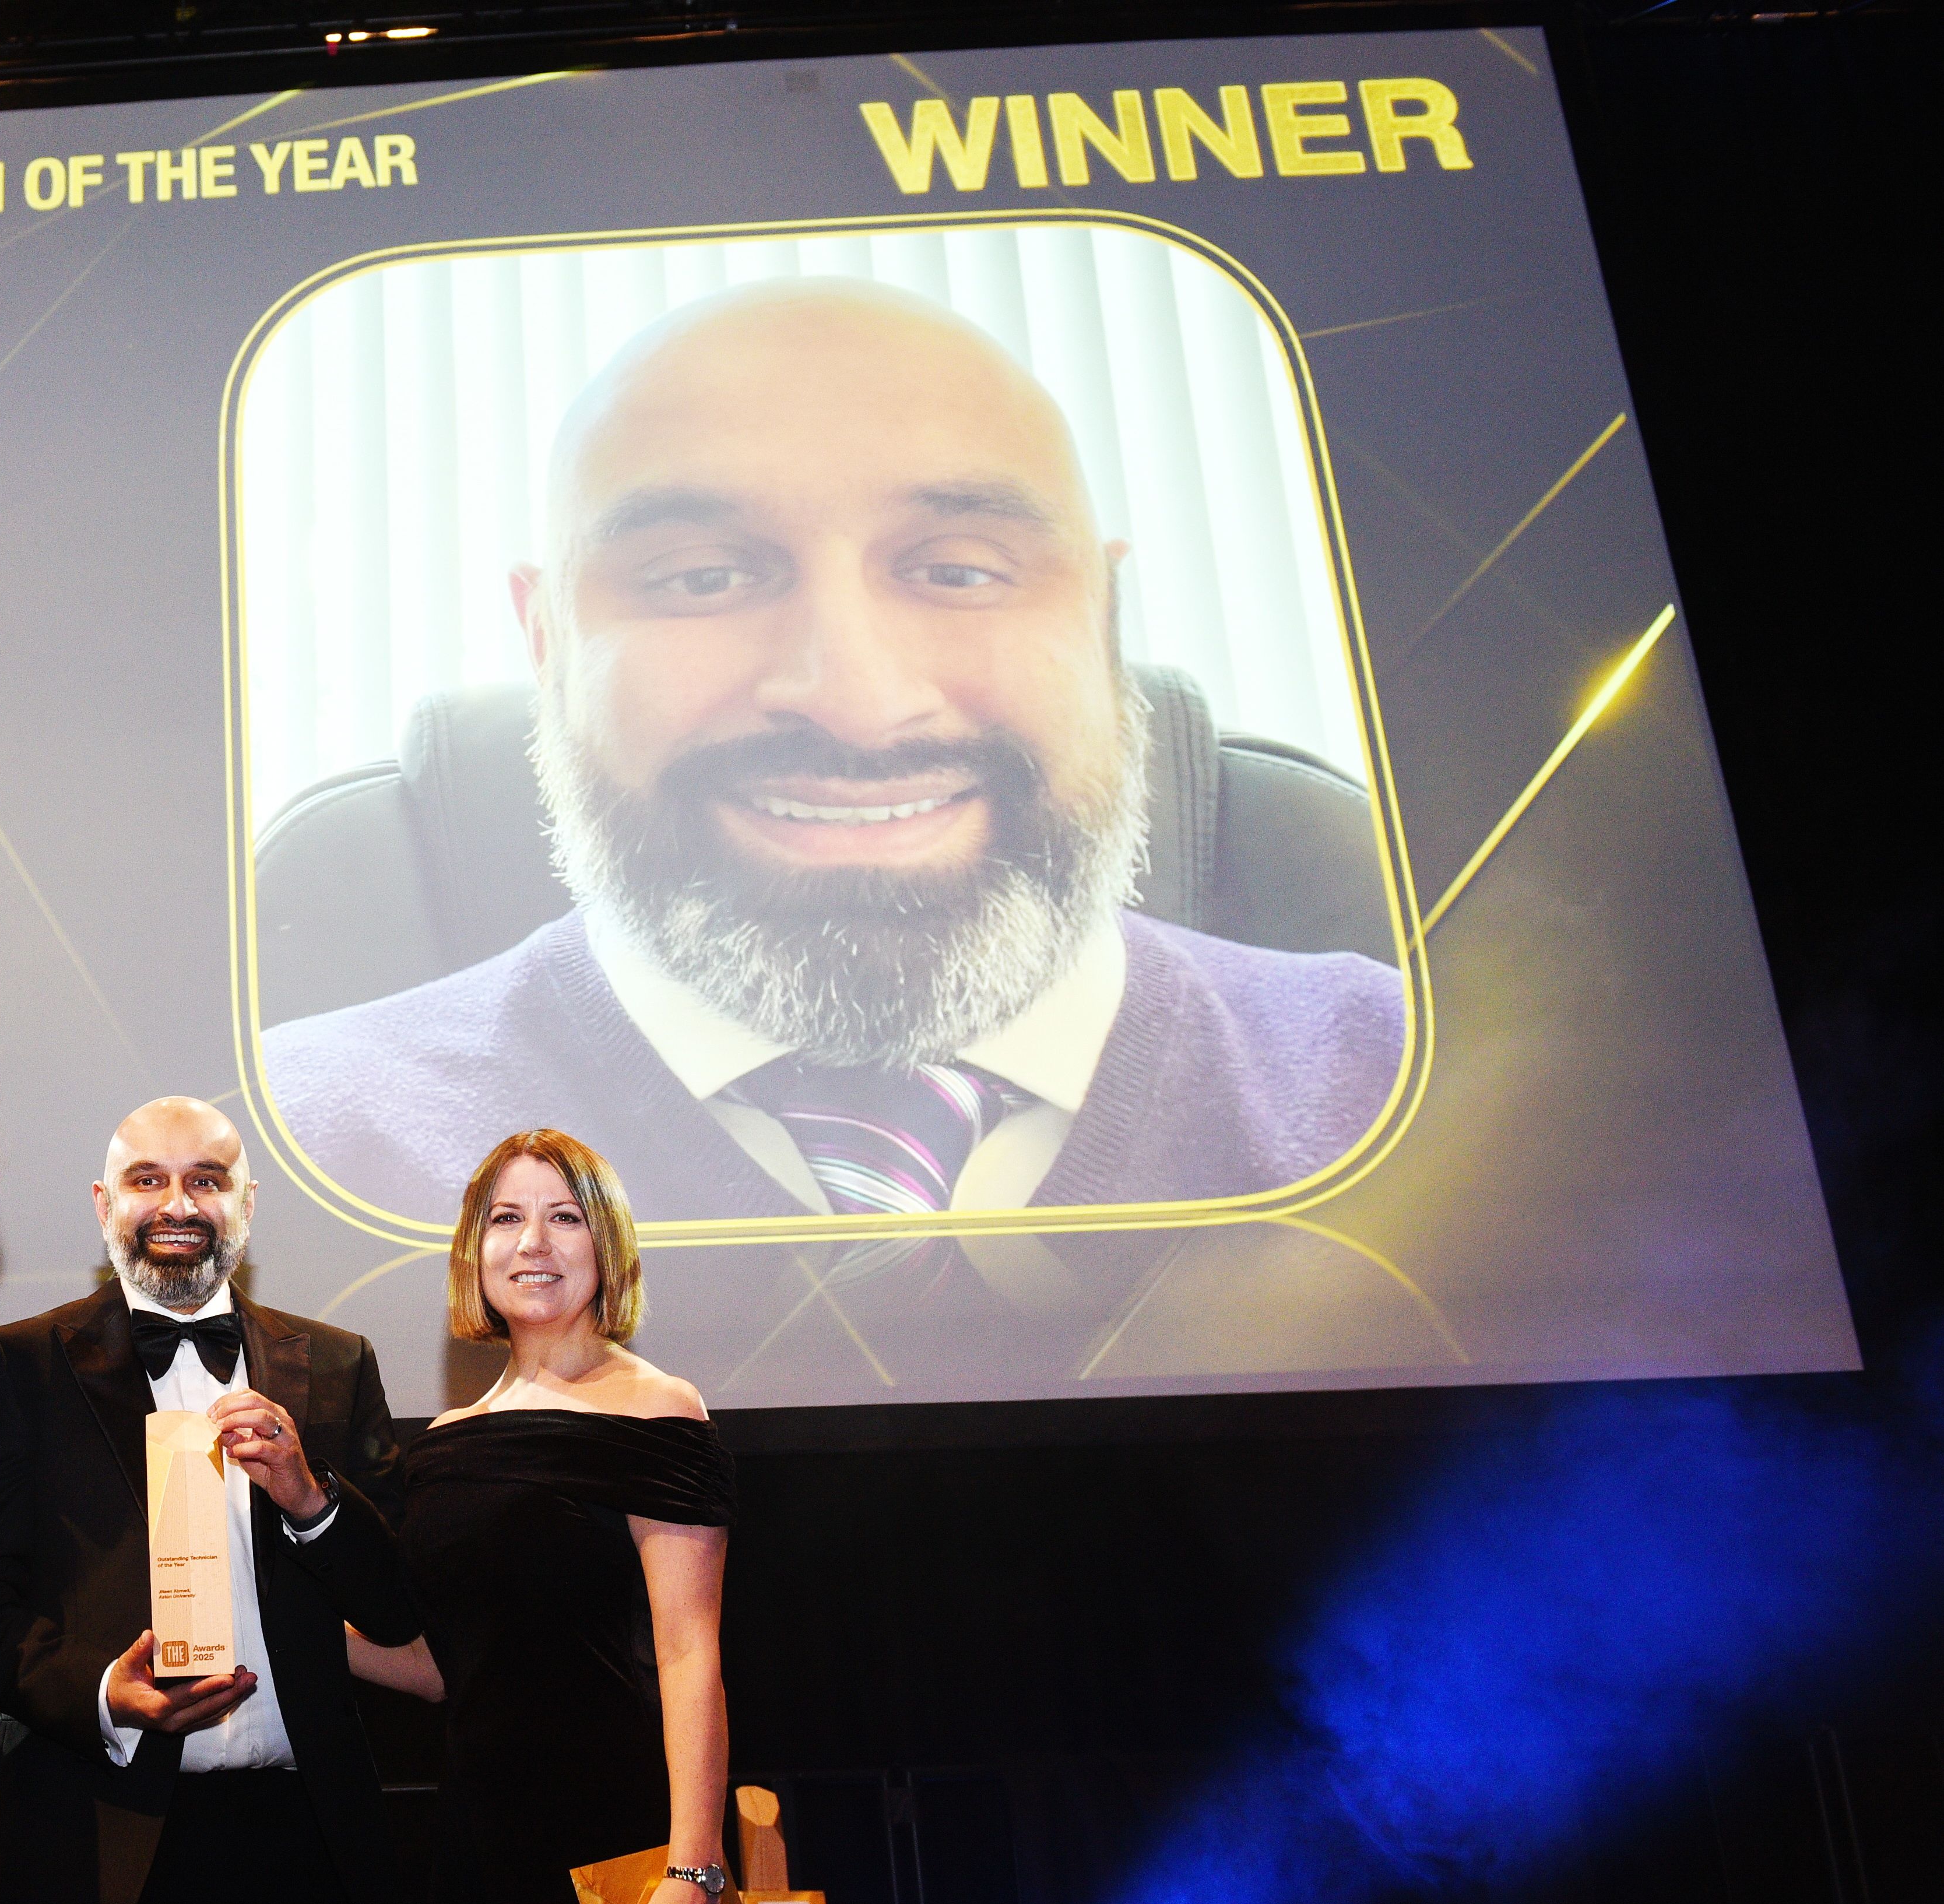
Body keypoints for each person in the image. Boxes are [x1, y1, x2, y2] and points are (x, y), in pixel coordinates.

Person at [263, 279, 1407, 1227]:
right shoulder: (267, 1163)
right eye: (702, 578)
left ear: (1101, 619)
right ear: (548, 641)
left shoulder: (1439, 1098)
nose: (856, 701)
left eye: (959, 570)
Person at [0, 1095, 421, 1904]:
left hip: (299, 1848)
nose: (178, 1202)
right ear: (101, 1203)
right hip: (93, 1833)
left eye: (206, 1179)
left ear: (245, 1203)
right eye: (148, 1178)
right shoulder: (16, 1366)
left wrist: (310, 1497)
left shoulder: (336, 1363)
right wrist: (105, 1696)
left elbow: (396, 1605)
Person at [350, 1128, 755, 1904]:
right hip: (481, 1850)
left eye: (563, 1216)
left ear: (604, 1244)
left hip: (620, 1844)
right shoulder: (444, 1444)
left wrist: (692, 1873)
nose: (533, 1242)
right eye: (506, 1218)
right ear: (473, 1251)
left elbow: (688, 1652)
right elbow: (453, 1666)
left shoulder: (657, 1409)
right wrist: (283, 1630)